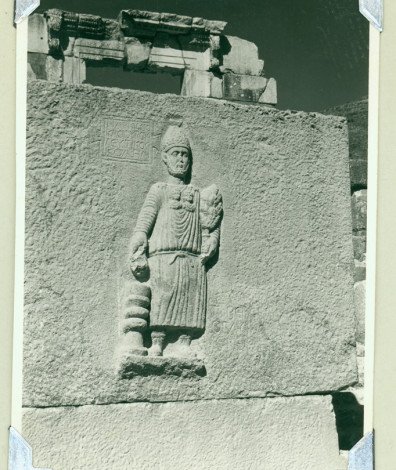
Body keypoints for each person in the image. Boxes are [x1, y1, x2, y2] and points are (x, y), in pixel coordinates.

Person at [129, 125, 222, 358]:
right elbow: (146, 218)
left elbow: (209, 223)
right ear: (165, 158)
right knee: (163, 297)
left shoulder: (198, 193)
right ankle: (157, 342)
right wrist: (140, 236)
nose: (181, 160)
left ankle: (184, 342)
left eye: (185, 155)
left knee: (188, 301)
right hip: (164, 256)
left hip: (191, 258)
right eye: (176, 154)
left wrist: (213, 239)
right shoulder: (158, 190)